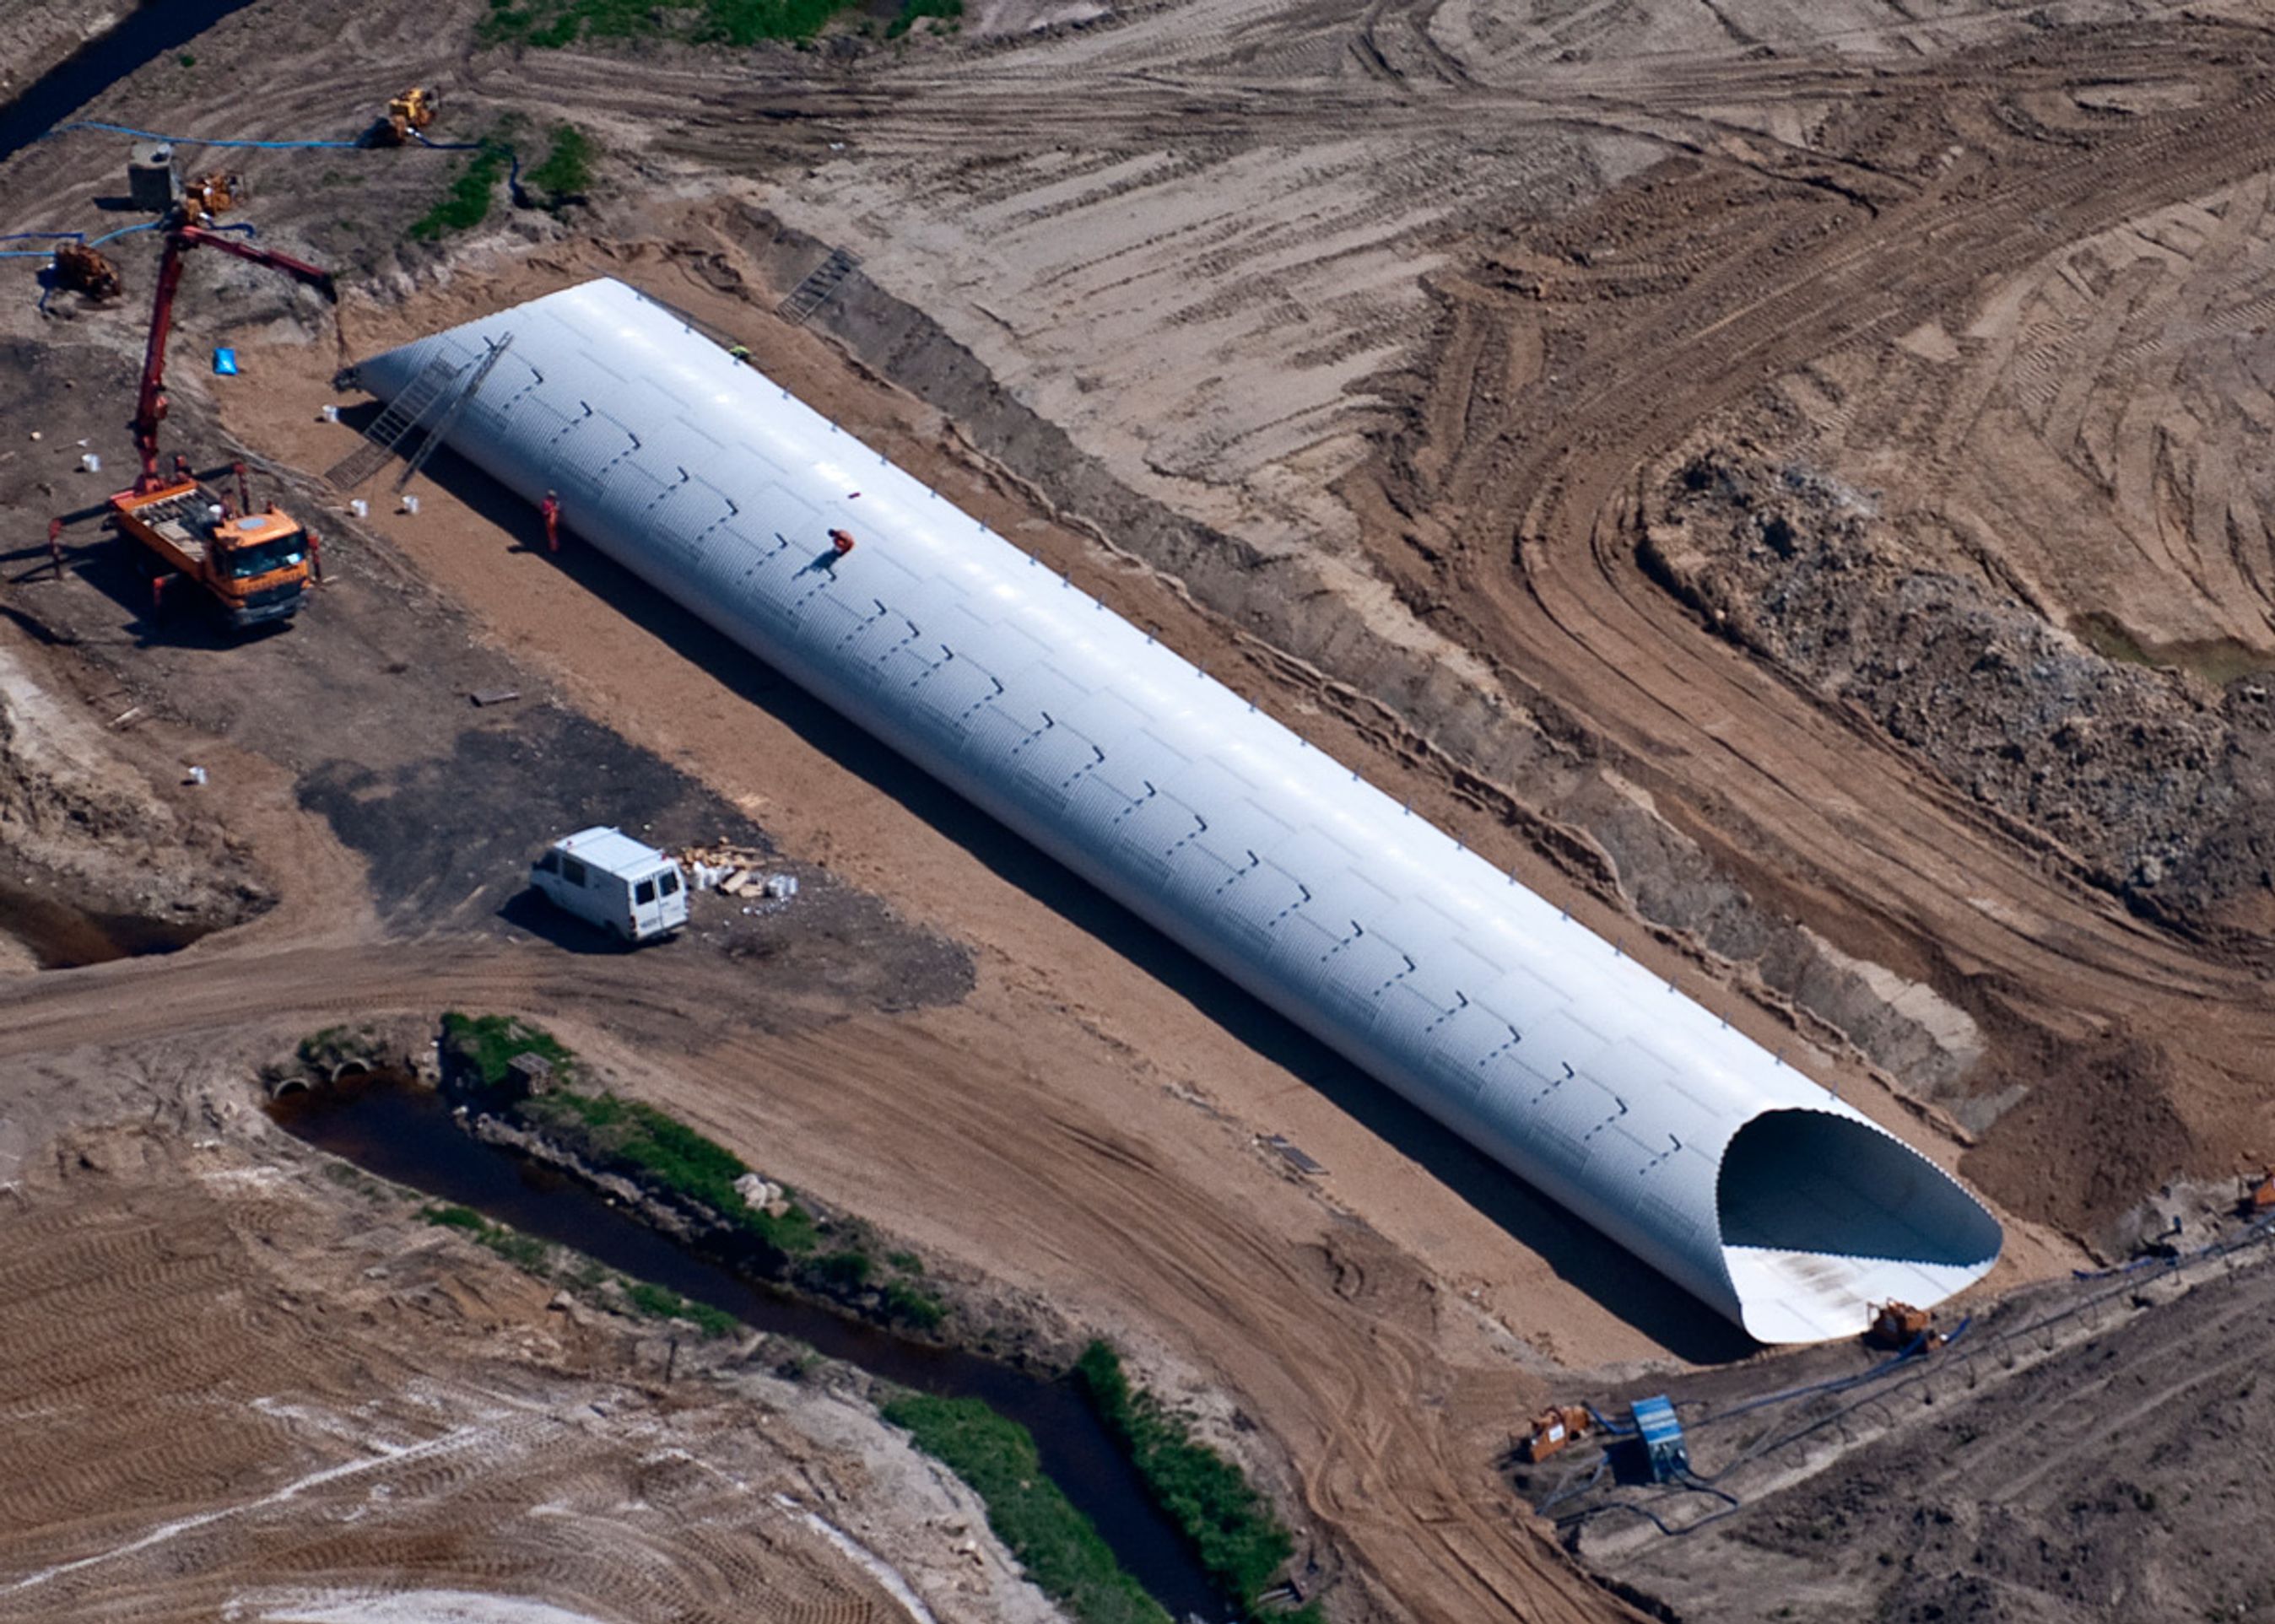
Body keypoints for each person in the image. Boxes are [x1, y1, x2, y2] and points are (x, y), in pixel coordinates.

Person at [539, 489, 561, 554]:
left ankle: (555, 546)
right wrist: (553, 509)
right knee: (552, 535)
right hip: (550, 521)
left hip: (551, 521)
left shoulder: (549, 503)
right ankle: (554, 548)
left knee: (552, 534)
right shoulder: (547, 503)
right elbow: (546, 512)